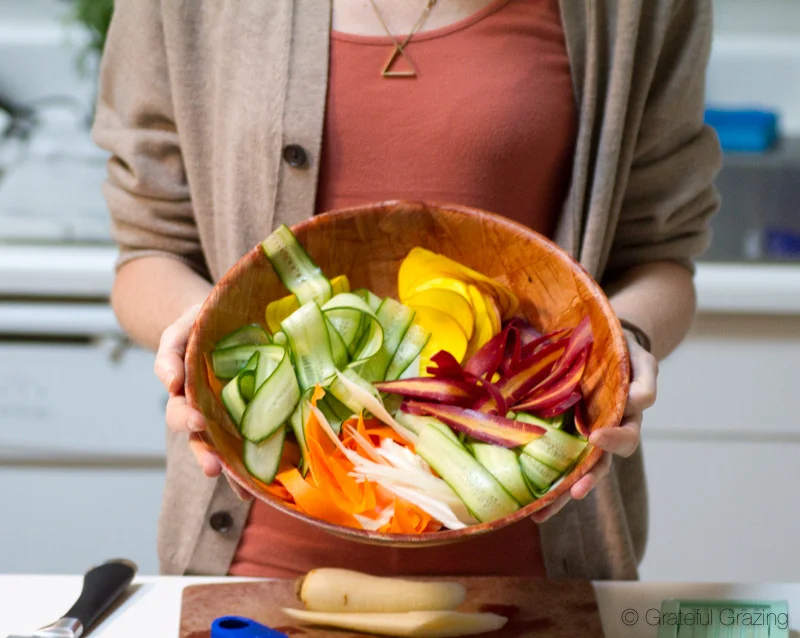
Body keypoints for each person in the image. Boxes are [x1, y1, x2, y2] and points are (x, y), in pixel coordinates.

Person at [92, 0, 721, 580]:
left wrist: (624, 343)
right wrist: (195, 327)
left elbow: (660, 256)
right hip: (260, 567)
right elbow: (149, 248)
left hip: (538, 570)